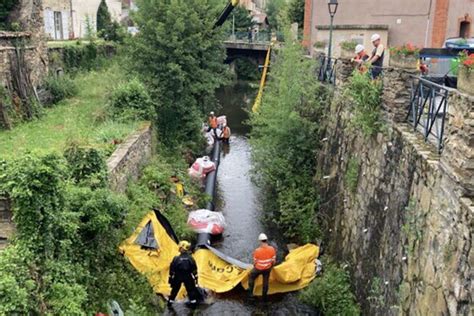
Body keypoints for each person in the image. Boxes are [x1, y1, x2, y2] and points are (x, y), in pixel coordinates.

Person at [168, 241, 199, 307]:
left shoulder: (176, 258)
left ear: (182, 248)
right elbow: (194, 270)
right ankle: (194, 305)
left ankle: (169, 304)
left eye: (180, 247)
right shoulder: (191, 258)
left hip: (177, 277)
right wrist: (196, 280)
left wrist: (170, 279)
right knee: (191, 291)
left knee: (174, 291)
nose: (179, 248)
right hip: (188, 277)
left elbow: (172, 270)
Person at [248, 233, 276, 301]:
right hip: (267, 269)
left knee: (251, 276)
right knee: (265, 282)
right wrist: (270, 267)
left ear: (260, 241)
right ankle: (264, 296)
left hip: (258, 268)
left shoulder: (257, 251)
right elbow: (273, 261)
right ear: (266, 240)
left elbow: (255, 262)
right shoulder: (272, 249)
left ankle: (250, 294)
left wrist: (255, 267)